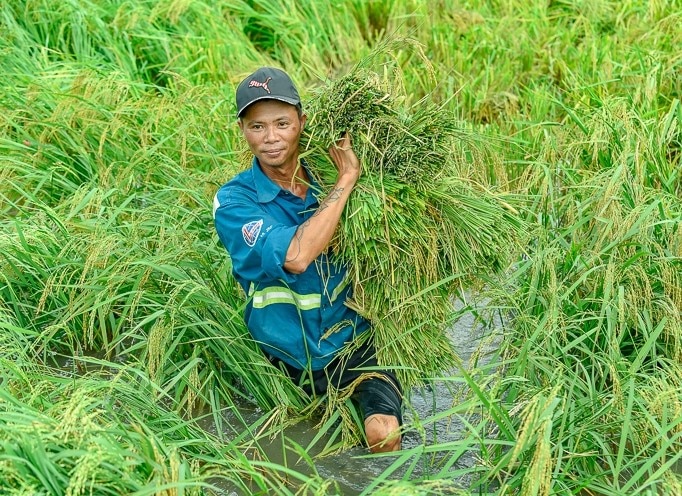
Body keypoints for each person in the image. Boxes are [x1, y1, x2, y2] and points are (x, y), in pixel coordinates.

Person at [212, 67, 402, 453]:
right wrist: (346, 180)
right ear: (243, 130)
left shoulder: (328, 175)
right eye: (257, 127)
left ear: (302, 120)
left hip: (355, 345)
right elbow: (296, 257)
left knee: (384, 435)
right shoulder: (234, 202)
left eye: (282, 123)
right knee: (291, 453)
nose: (271, 139)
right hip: (283, 357)